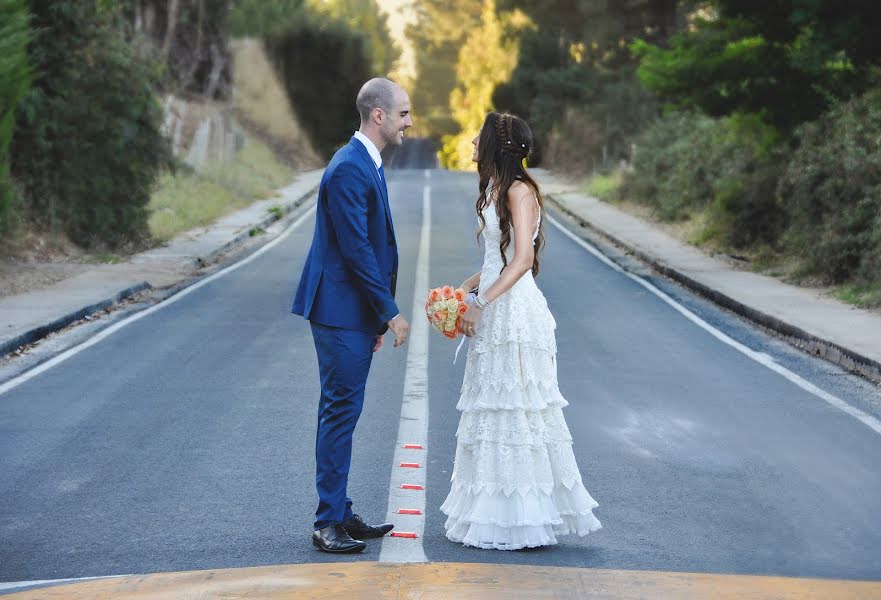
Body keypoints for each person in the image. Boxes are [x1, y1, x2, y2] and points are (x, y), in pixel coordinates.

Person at [440, 112, 602, 550]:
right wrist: (463, 289)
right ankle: (492, 510)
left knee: (517, 410)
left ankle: (525, 515)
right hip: (494, 304)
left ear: (496, 145)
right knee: (492, 410)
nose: (473, 142)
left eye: (480, 137)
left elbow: (523, 261)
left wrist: (480, 302)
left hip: (515, 314)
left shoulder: (520, 191)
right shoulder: (495, 188)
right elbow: (498, 258)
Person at [292, 78, 412, 553]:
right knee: (339, 412)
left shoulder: (367, 162)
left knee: (343, 410)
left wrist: (374, 321)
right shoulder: (348, 168)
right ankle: (327, 523)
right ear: (378, 115)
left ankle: (340, 510)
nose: (409, 121)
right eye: (403, 113)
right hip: (339, 310)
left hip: (352, 314)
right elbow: (356, 249)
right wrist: (390, 312)